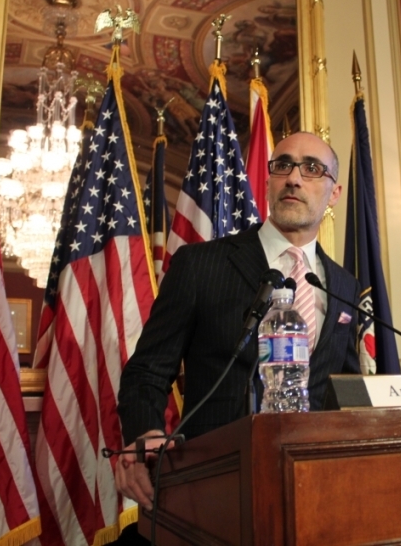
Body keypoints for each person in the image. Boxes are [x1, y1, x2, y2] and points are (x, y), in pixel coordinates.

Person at [114, 132, 361, 515]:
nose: (294, 177)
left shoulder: (345, 285)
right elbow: (146, 370)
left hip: (313, 490)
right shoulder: (200, 265)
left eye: (312, 169)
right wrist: (145, 432)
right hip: (215, 486)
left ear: (334, 193)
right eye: (283, 165)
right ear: (268, 180)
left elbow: (345, 387)